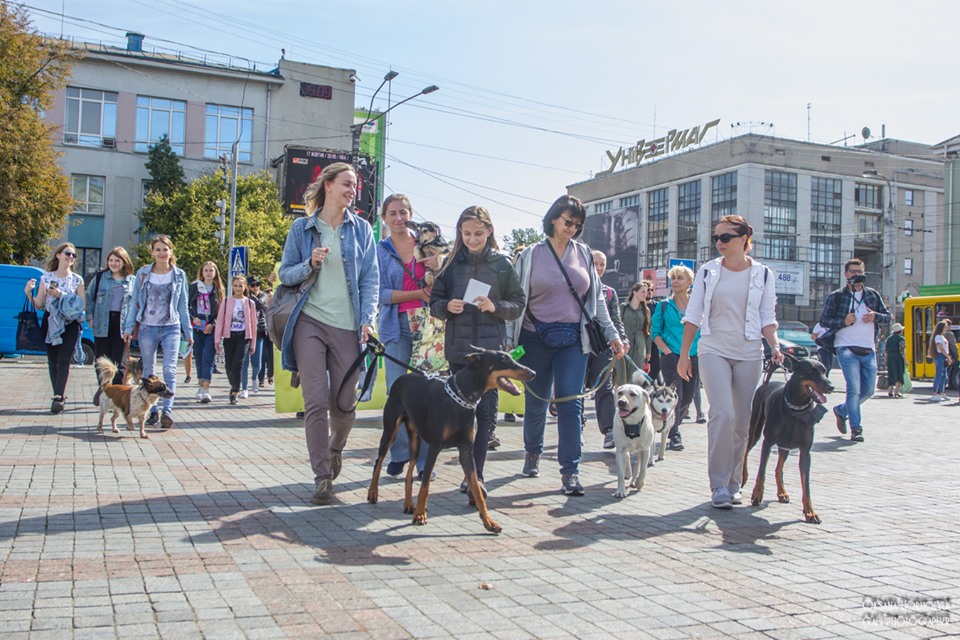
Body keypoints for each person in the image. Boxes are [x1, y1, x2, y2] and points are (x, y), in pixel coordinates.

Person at [510, 195, 625, 496]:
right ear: (552, 219)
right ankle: (532, 452)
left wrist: (612, 334)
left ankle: (570, 472)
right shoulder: (531, 254)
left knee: (570, 403)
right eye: (567, 221)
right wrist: (508, 339)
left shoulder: (584, 253)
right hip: (534, 337)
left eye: (577, 224)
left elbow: (597, 298)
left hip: (574, 339)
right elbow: (516, 298)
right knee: (536, 402)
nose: (572, 228)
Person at [278, 162, 378, 506]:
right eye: (347, 184)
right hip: (309, 321)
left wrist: (367, 320)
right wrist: (310, 264)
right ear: (329, 185)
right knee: (316, 401)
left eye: (355, 186)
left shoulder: (362, 229)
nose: (353, 191)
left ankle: (336, 448)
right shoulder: (302, 229)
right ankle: (322, 477)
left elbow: (370, 279)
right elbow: (284, 274)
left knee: (344, 403)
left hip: (348, 326)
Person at [678, 215, 781, 509]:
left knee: (742, 421)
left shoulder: (763, 274)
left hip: (749, 352)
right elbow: (694, 314)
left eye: (725, 237)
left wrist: (774, 345)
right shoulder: (708, 272)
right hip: (713, 349)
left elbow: (767, 317)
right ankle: (719, 484)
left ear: (743, 238)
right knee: (721, 413)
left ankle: (735, 483)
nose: (719, 243)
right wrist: (685, 355)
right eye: (716, 238)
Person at [430, 205, 525, 500]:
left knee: (485, 415)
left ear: (490, 231)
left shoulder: (502, 264)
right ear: (459, 232)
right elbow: (435, 301)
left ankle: (476, 477)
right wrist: (447, 307)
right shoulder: (449, 264)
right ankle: (468, 472)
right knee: (461, 417)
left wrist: (495, 306)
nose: (472, 239)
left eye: (478, 233)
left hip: (490, 356)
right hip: (459, 354)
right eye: (467, 233)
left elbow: (518, 303)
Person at [376, 194, 432, 478]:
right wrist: (416, 294)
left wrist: (436, 266)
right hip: (395, 325)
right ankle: (399, 453)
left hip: (427, 326)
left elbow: (442, 279)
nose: (398, 218)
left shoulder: (427, 243)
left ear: (410, 213)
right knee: (396, 391)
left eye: (403, 212)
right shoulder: (380, 251)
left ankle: (423, 462)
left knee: (425, 394)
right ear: (384, 217)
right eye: (392, 213)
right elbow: (381, 294)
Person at [122, 235, 193, 429]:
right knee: (149, 371)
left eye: (165, 249)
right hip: (147, 327)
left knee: (170, 369)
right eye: (158, 249)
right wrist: (128, 328)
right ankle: (151, 410)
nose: (162, 253)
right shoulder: (144, 273)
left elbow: (183, 305)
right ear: (153, 252)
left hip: (171, 326)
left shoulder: (179, 275)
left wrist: (188, 332)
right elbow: (134, 302)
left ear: (171, 252)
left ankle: (167, 412)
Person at [817, 258, 890, 442]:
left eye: (859, 272)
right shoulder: (837, 296)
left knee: (868, 391)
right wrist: (844, 322)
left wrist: (875, 316)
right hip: (845, 347)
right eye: (852, 272)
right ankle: (856, 428)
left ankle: (841, 411)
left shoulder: (872, 295)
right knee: (853, 389)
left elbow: (888, 317)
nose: (856, 275)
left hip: (868, 349)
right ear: (846, 274)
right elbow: (824, 320)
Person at [23, 243, 86, 414]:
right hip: (51, 321)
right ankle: (57, 393)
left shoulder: (77, 279)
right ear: (58, 255)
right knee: (53, 360)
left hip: (70, 322)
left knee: (64, 359)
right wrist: (29, 292)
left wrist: (61, 295)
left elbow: (81, 305)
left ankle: (58, 397)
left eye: (74, 255)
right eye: (68, 254)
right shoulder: (46, 278)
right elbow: (39, 304)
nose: (71, 257)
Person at [652, 264, 701, 453]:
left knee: (687, 397)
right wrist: (667, 352)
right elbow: (655, 333)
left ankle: (671, 425)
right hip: (671, 356)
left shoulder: (698, 305)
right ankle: (674, 435)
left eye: (680, 278)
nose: (676, 282)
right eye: (673, 278)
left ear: (690, 282)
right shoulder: (664, 305)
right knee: (675, 395)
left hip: (694, 356)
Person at [586, 251, 626, 450]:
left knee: (605, 387)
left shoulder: (609, 292)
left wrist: (622, 339)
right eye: (595, 263)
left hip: (603, 347)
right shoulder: (579, 287)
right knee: (576, 388)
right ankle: (577, 428)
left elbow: (616, 320)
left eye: (602, 264)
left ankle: (609, 430)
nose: (599, 268)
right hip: (581, 344)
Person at [86, 247, 136, 407]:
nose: (114, 263)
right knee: (101, 360)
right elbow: (89, 297)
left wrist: (131, 327)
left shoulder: (132, 280)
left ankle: (116, 392)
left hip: (121, 324)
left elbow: (135, 304)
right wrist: (90, 316)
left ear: (124, 262)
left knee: (120, 361)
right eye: (111, 260)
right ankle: (103, 389)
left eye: (117, 260)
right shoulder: (101, 277)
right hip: (102, 321)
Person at [215, 276, 257, 405]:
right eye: (235, 285)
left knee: (238, 364)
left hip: (243, 337)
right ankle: (233, 384)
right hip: (229, 336)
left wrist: (253, 343)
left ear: (245, 287)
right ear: (232, 287)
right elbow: (220, 320)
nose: (238, 288)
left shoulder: (250, 303)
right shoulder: (227, 302)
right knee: (229, 365)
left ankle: (235, 392)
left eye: (240, 286)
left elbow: (253, 324)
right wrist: (217, 339)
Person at [188, 261, 224, 403]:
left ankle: (206, 388)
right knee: (198, 355)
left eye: (211, 270)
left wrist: (213, 324)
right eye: (206, 270)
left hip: (210, 325)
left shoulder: (218, 289)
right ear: (202, 272)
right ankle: (200, 383)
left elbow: (221, 311)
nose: (209, 273)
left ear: (215, 273)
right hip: (197, 323)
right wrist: (193, 318)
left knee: (208, 356)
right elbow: (187, 304)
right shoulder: (195, 287)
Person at [241, 275, 268, 397]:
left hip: (259, 332)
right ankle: (244, 387)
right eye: (252, 285)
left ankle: (254, 378)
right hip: (245, 332)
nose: (256, 287)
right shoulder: (241, 297)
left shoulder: (263, 295)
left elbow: (258, 304)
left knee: (257, 363)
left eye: (258, 285)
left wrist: (248, 294)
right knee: (244, 362)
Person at [622, 282, 652, 375]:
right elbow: (617, 326)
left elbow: (648, 331)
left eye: (646, 292)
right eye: (643, 292)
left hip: (640, 346)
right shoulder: (623, 307)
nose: (645, 294)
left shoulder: (646, 310)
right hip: (624, 344)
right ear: (634, 292)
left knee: (636, 375)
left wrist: (648, 351)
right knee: (621, 375)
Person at [928, 320, 951, 402]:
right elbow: (941, 348)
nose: (946, 328)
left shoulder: (942, 336)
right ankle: (935, 393)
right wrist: (948, 357)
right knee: (939, 375)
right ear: (941, 328)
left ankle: (941, 392)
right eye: (945, 327)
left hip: (943, 357)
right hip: (940, 356)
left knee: (944, 375)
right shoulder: (938, 337)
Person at [885, 322, 906, 398]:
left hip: (890, 357)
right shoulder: (901, 339)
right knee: (898, 373)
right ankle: (896, 392)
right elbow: (902, 350)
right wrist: (905, 360)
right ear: (900, 331)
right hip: (898, 357)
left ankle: (890, 390)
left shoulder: (888, 339)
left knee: (891, 373)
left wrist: (885, 360)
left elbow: (886, 350)